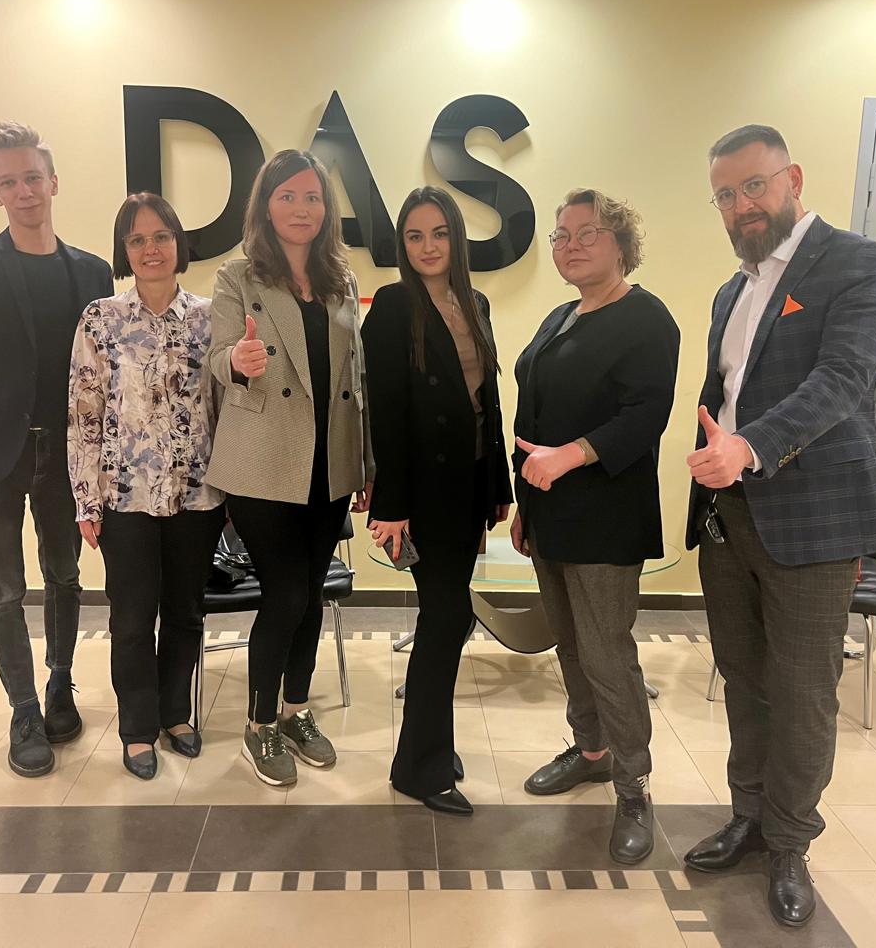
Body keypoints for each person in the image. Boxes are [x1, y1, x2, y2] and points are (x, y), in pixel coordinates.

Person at [683, 124, 876, 928]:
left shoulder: (860, 264)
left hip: (813, 520)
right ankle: (748, 815)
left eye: (754, 185)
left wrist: (748, 447)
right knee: (744, 678)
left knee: (804, 693)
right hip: (730, 518)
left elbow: (842, 380)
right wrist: (718, 463)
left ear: (793, 178)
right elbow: (726, 395)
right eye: (725, 194)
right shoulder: (730, 291)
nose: (741, 205)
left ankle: (789, 844)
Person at [0, 122, 112, 777]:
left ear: (52, 181)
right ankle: (24, 710)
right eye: (8, 182)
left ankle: (61, 683)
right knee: (4, 589)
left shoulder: (91, 271)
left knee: (64, 576)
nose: (23, 190)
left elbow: (103, 364)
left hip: (66, 455)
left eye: (32, 177)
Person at [510, 188, 679, 863]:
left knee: (608, 655)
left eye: (588, 233)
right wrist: (526, 506)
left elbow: (644, 417)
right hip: (551, 513)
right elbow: (536, 413)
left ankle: (634, 788)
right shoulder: (561, 316)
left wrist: (570, 457)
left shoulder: (646, 318)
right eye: (561, 235)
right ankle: (591, 751)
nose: (571, 245)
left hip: (606, 515)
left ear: (621, 243)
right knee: (572, 648)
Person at [204, 149, 374, 787]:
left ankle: (296, 711)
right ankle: (259, 725)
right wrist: (237, 361)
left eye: (312, 197)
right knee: (287, 594)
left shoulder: (340, 278)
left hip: (329, 464)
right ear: (266, 205)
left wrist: (365, 464)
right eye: (288, 196)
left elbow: (355, 377)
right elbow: (217, 356)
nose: (302, 209)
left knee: (309, 596)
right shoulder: (238, 276)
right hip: (263, 462)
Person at [362, 187, 513, 816]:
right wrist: (391, 505)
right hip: (422, 494)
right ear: (403, 244)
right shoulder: (394, 305)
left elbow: (486, 404)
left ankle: (430, 746)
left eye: (440, 233)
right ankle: (419, 768)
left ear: (457, 237)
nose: (428, 247)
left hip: (469, 486)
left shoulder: (475, 302)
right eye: (415, 236)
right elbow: (386, 414)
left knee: (447, 618)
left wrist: (498, 486)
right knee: (446, 617)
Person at [68, 193, 224, 780]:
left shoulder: (211, 317)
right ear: (124, 250)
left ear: (179, 243)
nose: (150, 248)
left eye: (161, 236)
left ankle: (174, 714)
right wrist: (86, 499)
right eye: (137, 239)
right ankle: (137, 728)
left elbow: (225, 408)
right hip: (124, 498)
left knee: (185, 614)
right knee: (132, 620)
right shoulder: (100, 319)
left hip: (197, 494)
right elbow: (84, 413)